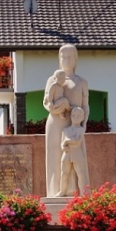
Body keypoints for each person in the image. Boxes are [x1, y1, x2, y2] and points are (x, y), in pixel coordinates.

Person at [43, 44, 90, 197]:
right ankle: (55, 191)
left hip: (74, 124)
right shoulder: (52, 79)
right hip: (56, 123)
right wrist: (53, 107)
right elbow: (46, 101)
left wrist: (83, 124)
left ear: (75, 59)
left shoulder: (81, 82)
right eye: (63, 56)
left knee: (75, 160)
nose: (66, 60)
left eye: (70, 56)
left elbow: (85, 105)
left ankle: (74, 192)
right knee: (56, 158)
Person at [57, 106, 87, 196]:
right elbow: (62, 143)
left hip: (77, 153)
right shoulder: (65, 130)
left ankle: (83, 193)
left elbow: (77, 141)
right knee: (64, 174)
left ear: (82, 118)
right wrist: (63, 146)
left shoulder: (81, 130)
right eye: (73, 115)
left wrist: (67, 141)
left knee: (80, 174)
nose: (75, 117)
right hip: (67, 153)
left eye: (78, 116)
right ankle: (62, 191)